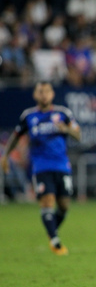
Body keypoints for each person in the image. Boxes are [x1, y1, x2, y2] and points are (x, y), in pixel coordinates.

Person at [1, 82, 80, 255]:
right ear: (35, 95)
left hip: (62, 165)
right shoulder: (29, 115)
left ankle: (51, 229)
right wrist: (5, 156)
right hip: (40, 166)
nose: (43, 94)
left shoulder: (63, 113)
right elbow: (16, 136)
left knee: (64, 206)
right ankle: (55, 241)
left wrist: (66, 129)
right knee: (47, 201)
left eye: (47, 91)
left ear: (52, 94)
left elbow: (78, 134)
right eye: (40, 91)